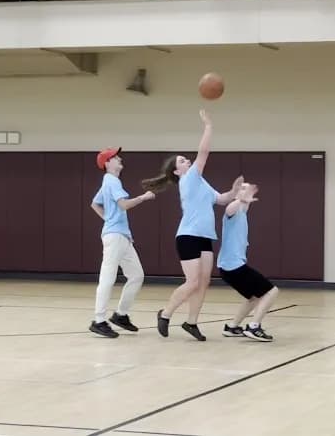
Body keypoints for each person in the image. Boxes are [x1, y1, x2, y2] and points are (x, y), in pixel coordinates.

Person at [141, 110, 241, 341]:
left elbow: (222, 199)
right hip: (188, 236)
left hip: (205, 236)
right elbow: (203, 152)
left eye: (186, 159)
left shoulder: (201, 183)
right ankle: (165, 314)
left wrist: (235, 192)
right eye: (182, 161)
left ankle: (191, 322)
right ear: (178, 171)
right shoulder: (189, 178)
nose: (187, 160)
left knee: (204, 282)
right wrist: (208, 126)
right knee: (193, 281)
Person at [89, 147, 155, 338]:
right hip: (115, 236)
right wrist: (144, 197)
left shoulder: (107, 182)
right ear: (107, 163)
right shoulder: (112, 181)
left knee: (136, 275)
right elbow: (124, 205)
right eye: (115, 157)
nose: (119, 158)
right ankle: (98, 320)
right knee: (107, 278)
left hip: (122, 236)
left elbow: (94, 204)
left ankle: (121, 315)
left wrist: (110, 221)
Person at [218, 181, 279, 342]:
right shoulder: (232, 211)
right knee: (272, 291)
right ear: (236, 193)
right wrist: (240, 198)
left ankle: (232, 327)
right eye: (243, 188)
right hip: (233, 267)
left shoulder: (243, 212)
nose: (247, 191)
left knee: (254, 297)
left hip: (228, 268)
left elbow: (244, 206)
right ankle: (254, 326)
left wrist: (246, 198)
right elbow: (228, 209)